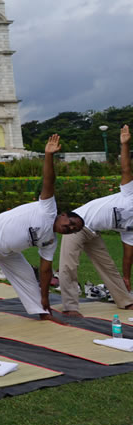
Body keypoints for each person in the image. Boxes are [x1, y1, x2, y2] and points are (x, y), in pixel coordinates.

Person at [0, 135, 85, 337]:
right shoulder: (48, 209)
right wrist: (48, 155)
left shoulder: (50, 241)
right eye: (71, 223)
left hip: (8, 251)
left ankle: (41, 311)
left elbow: (46, 271)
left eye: (73, 230)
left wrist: (46, 299)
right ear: (63, 215)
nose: (70, 228)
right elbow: (49, 180)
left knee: (28, 277)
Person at [59, 125, 133, 317]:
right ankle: (70, 307)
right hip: (76, 224)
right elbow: (126, 168)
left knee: (108, 266)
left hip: (93, 232)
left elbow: (128, 252)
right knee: (68, 266)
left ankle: (125, 301)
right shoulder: (130, 194)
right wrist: (125, 144)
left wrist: (126, 276)